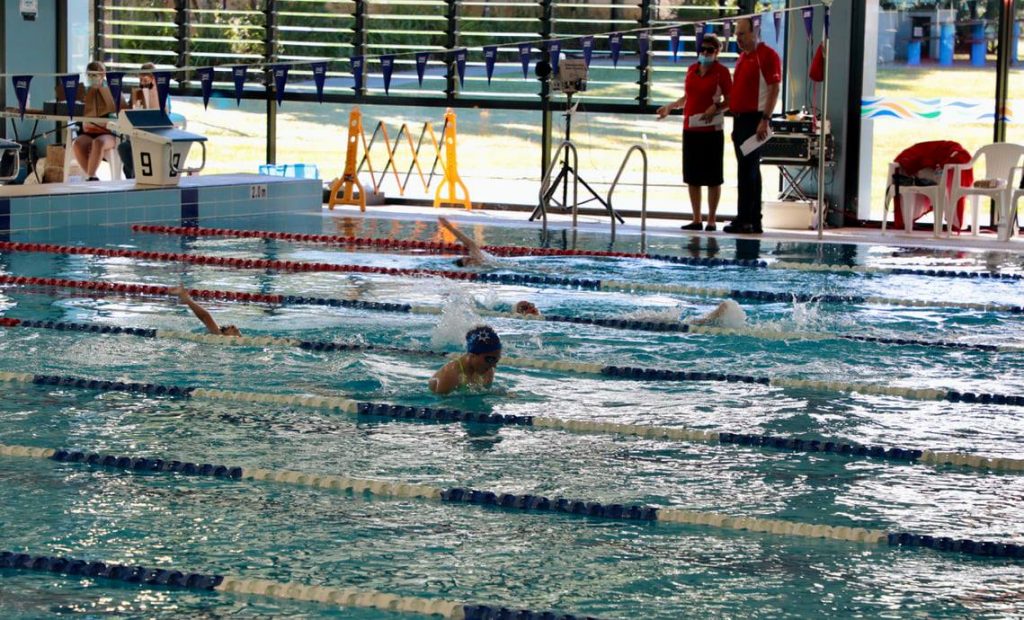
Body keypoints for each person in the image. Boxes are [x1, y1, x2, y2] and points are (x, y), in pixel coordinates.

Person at [656, 35, 731, 232]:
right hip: (690, 128)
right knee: (693, 176)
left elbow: (730, 101)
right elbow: (688, 96)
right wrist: (670, 106)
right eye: (703, 49)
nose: (705, 53)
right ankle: (696, 218)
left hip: (711, 130)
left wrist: (715, 108)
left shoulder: (721, 72)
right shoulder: (691, 69)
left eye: (710, 50)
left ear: (717, 53)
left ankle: (712, 220)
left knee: (713, 176)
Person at [724, 18, 781, 235]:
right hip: (740, 121)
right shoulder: (742, 57)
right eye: (736, 34)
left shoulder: (766, 56)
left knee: (748, 171)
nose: (738, 38)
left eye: (742, 34)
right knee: (748, 170)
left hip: (755, 120)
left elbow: (775, 89)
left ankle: (746, 219)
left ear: (754, 32)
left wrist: (765, 119)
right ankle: (752, 219)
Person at [72, 61, 117, 182]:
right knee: (77, 144)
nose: (92, 78)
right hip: (88, 132)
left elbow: (118, 115)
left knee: (98, 143)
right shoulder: (84, 93)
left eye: (95, 75)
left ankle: (90, 178)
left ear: (102, 75)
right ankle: (92, 177)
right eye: (89, 75)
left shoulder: (112, 91)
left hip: (108, 134)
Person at [119, 63, 164, 179]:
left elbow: (161, 114)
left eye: (145, 80)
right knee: (124, 147)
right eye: (141, 80)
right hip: (138, 134)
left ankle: (138, 174)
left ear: (154, 79)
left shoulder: (161, 93)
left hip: (155, 134)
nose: (143, 84)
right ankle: (134, 176)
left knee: (139, 148)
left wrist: (153, 91)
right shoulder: (137, 93)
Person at [429, 325, 501, 395]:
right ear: (473, 354)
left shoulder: (488, 371)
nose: (493, 366)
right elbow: (440, 405)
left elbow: (485, 393)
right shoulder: (450, 375)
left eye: (496, 360)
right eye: (490, 359)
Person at [169, 286, 242, 336]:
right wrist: (188, 301)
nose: (233, 326)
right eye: (236, 330)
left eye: (236, 331)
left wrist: (188, 301)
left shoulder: (219, 335)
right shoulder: (218, 333)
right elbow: (205, 316)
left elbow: (204, 317)